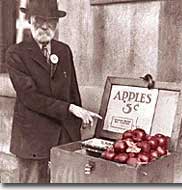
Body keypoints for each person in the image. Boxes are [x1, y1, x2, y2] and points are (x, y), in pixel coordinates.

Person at [6, 0, 102, 183]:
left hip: (63, 137)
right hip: (32, 140)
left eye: (51, 21)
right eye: (39, 20)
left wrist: (78, 124)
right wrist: (70, 109)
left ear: (57, 24)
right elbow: (30, 97)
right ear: (29, 20)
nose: (44, 26)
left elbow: (73, 90)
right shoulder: (16, 54)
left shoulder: (63, 50)